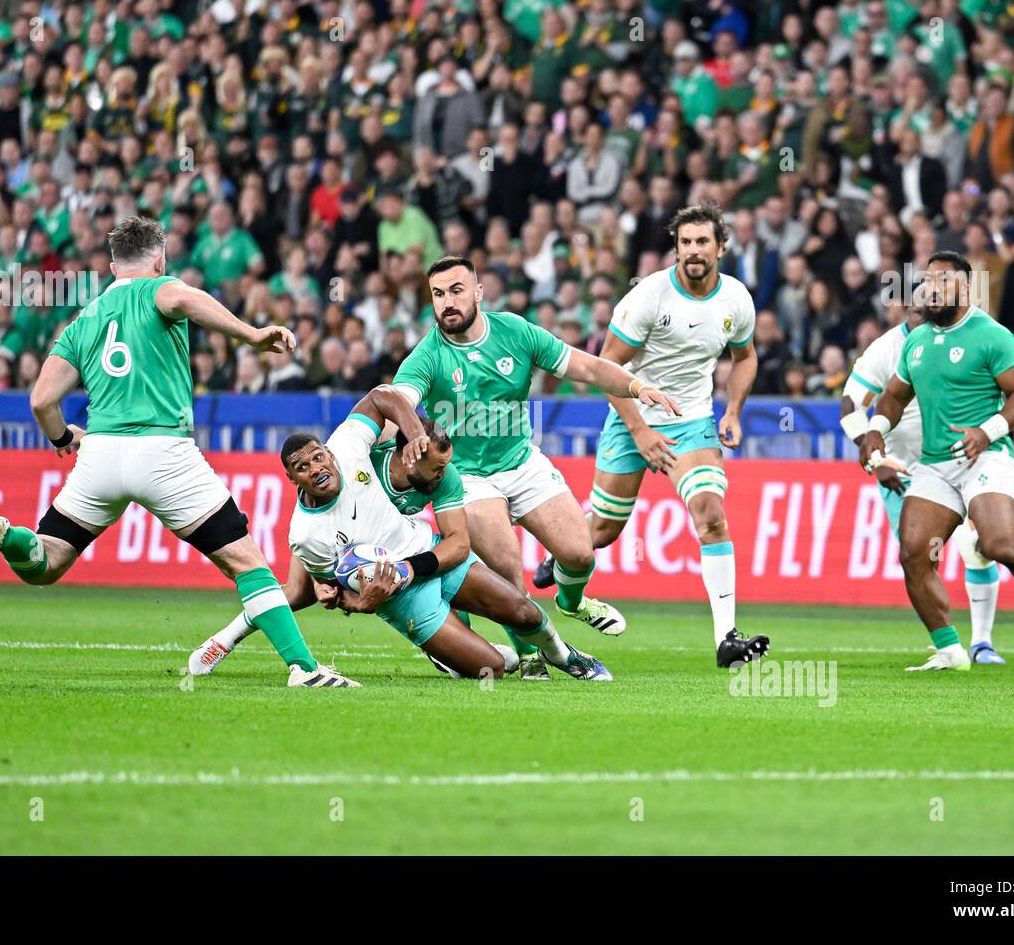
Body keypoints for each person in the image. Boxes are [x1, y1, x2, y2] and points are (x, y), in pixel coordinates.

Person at [0, 217, 356, 690]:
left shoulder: (84, 320)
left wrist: (62, 440)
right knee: (247, 564)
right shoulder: (161, 288)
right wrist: (252, 335)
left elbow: (40, 400)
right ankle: (303, 669)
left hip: (101, 454)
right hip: (163, 451)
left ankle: (6, 535)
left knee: (46, 561)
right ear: (159, 259)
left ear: (113, 264)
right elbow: (185, 299)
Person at [390, 256, 681, 677]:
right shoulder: (427, 356)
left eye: (456, 290)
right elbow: (400, 399)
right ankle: (532, 655)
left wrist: (637, 386)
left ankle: (572, 601)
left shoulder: (514, 331)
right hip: (467, 477)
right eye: (438, 295)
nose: (447, 302)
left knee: (580, 553)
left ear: (478, 292)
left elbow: (586, 366)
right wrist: (402, 429)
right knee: (507, 569)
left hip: (522, 462)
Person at [535, 202, 769, 668]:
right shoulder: (649, 297)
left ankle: (726, 639)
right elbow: (605, 370)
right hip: (629, 418)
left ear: (721, 248)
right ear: (676, 249)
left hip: (691, 420)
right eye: (685, 243)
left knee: (712, 516)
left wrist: (734, 411)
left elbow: (745, 357)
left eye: (703, 241)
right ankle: (563, 574)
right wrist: (640, 431)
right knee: (598, 534)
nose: (693, 251)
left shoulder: (736, 299)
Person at [857, 252, 1014, 670]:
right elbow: (894, 398)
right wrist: (873, 431)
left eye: (942, 281)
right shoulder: (917, 342)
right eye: (927, 282)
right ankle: (951, 650)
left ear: (965, 287)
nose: (931, 289)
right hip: (936, 464)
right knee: (913, 552)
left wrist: (987, 431)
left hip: (987, 455)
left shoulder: (991, 334)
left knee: (998, 544)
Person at [265, 389, 611, 681]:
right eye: (303, 467)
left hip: (428, 555)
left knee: (525, 612)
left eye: (319, 458)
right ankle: (452, 651)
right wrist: (360, 603)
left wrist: (410, 568)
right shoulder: (308, 532)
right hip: (401, 600)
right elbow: (330, 591)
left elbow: (459, 544)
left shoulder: (354, 452)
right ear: (292, 479)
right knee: (492, 669)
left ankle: (563, 655)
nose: (317, 468)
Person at [840, 289, 1007, 664]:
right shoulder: (886, 350)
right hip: (902, 471)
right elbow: (851, 405)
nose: (921, 316)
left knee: (975, 547)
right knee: (919, 559)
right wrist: (875, 458)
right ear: (904, 311)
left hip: (959, 462)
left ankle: (982, 642)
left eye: (927, 309)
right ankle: (948, 644)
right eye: (914, 310)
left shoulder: (968, 338)